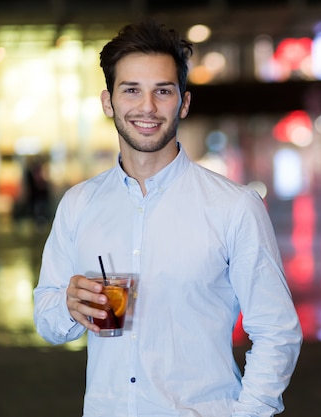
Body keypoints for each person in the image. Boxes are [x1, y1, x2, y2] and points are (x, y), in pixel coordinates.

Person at [33, 19, 302, 417]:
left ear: (184, 102)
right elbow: (46, 318)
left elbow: (277, 332)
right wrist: (67, 307)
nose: (147, 107)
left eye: (162, 91)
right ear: (108, 102)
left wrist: (248, 412)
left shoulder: (233, 207)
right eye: (131, 90)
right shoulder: (79, 204)